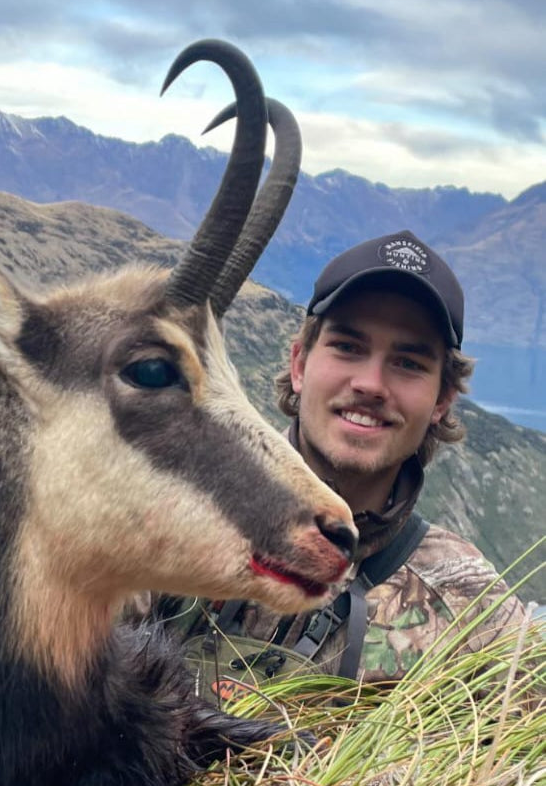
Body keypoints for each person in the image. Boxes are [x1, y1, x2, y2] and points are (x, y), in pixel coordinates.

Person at [160, 230, 528, 691]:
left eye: (409, 363)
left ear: (442, 401)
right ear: (299, 365)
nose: (371, 384)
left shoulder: (474, 605)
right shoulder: (174, 510)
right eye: (348, 347)